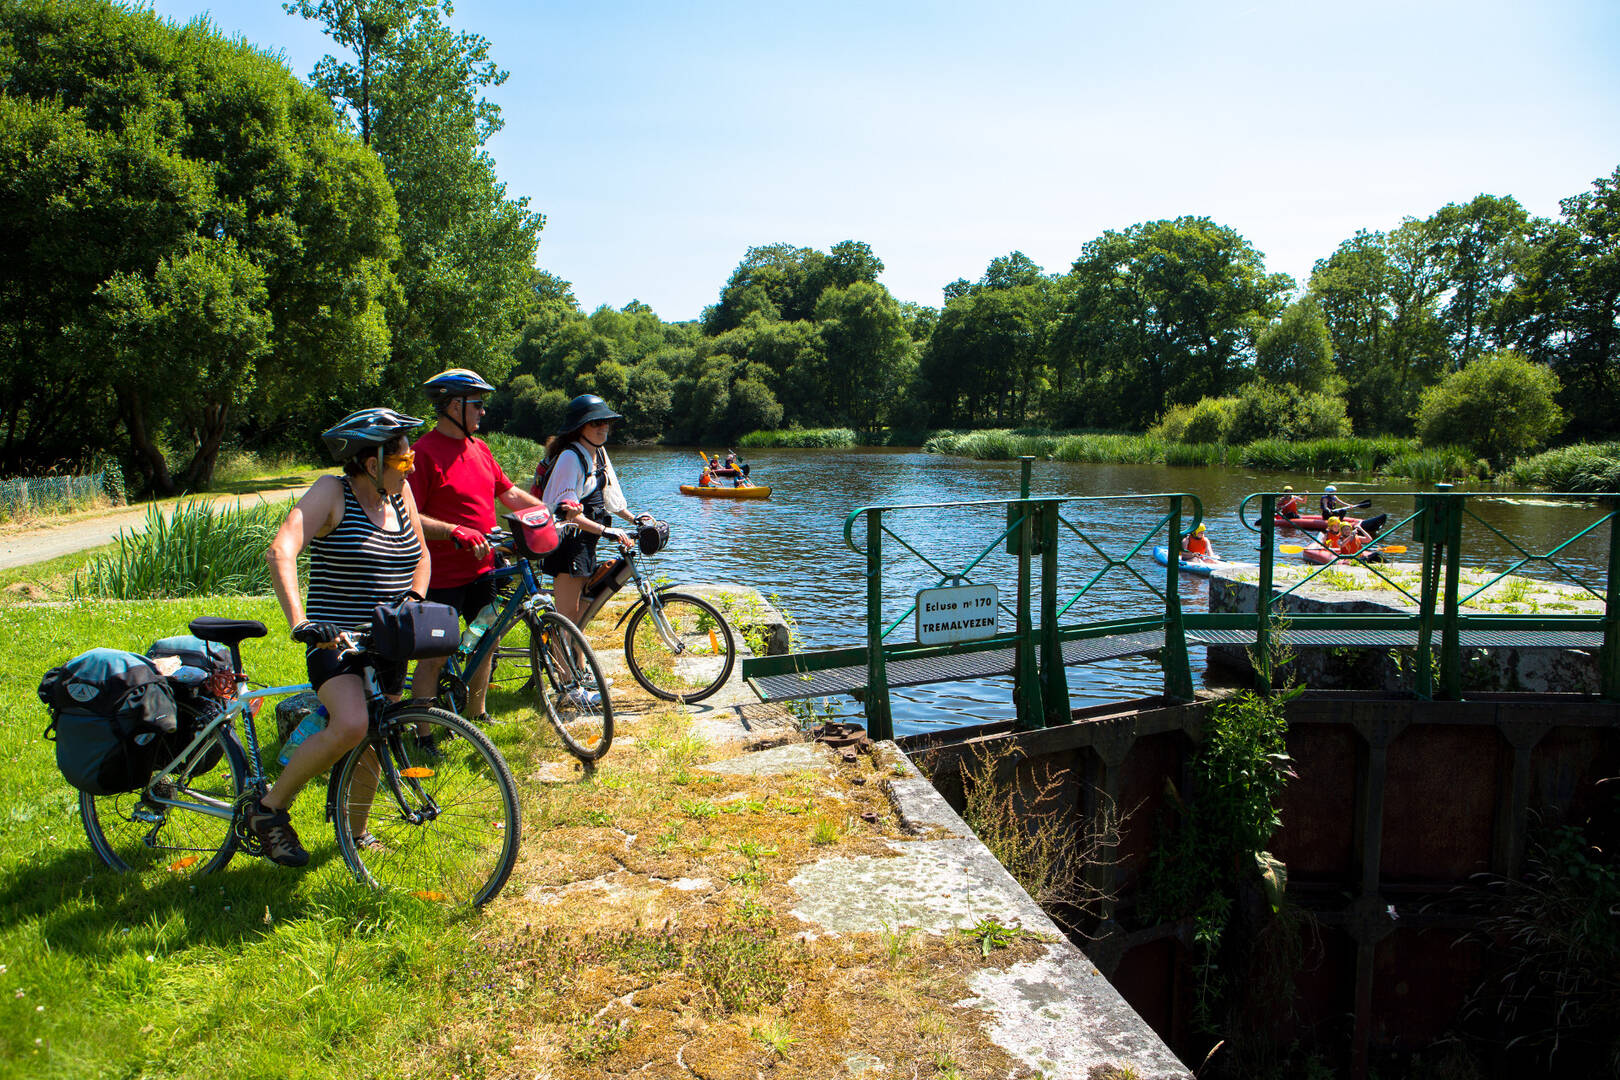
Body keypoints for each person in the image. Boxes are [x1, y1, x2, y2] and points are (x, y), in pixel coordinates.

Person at [258, 408, 431, 867]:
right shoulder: (332, 492)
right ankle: (270, 809)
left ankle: (356, 831)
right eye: (403, 461)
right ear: (372, 463)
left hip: (390, 639)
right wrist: (301, 623)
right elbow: (283, 549)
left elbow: (422, 554)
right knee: (353, 723)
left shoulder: (400, 495)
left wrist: (415, 597)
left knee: (378, 731)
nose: (410, 467)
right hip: (336, 642)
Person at [406, 369, 544, 725]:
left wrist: (545, 513)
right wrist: (454, 530)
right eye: (478, 405)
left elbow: (509, 493)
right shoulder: (422, 454)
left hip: (483, 571)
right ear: (455, 405)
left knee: (486, 643)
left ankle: (476, 714)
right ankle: (423, 732)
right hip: (441, 578)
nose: (483, 412)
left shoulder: (479, 448)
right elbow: (410, 516)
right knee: (435, 655)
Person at [537, 395, 651, 704]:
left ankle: (581, 673)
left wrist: (636, 518)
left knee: (579, 612)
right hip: (567, 543)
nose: (603, 428)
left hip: (585, 542)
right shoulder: (570, 458)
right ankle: (567, 689)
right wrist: (608, 530)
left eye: (606, 423)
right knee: (566, 618)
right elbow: (565, 509)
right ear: (579, 427)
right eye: (596, 423)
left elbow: (612, 498)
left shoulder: (597, 453)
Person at [1320, 484, 1387, 538]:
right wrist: (1329, 510)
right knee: (1336, 512)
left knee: (1343, 510)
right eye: (1332, 492)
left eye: (1334, 492)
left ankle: (1339, 521)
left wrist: (1349, 505)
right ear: (1328, 492)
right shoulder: (1325, 498)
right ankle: (1336, 522)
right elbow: (1325, 507)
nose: (1334, 493)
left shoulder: (1334, 497)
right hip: (1327, 514)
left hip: (1333, 513)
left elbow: (1341, 503)